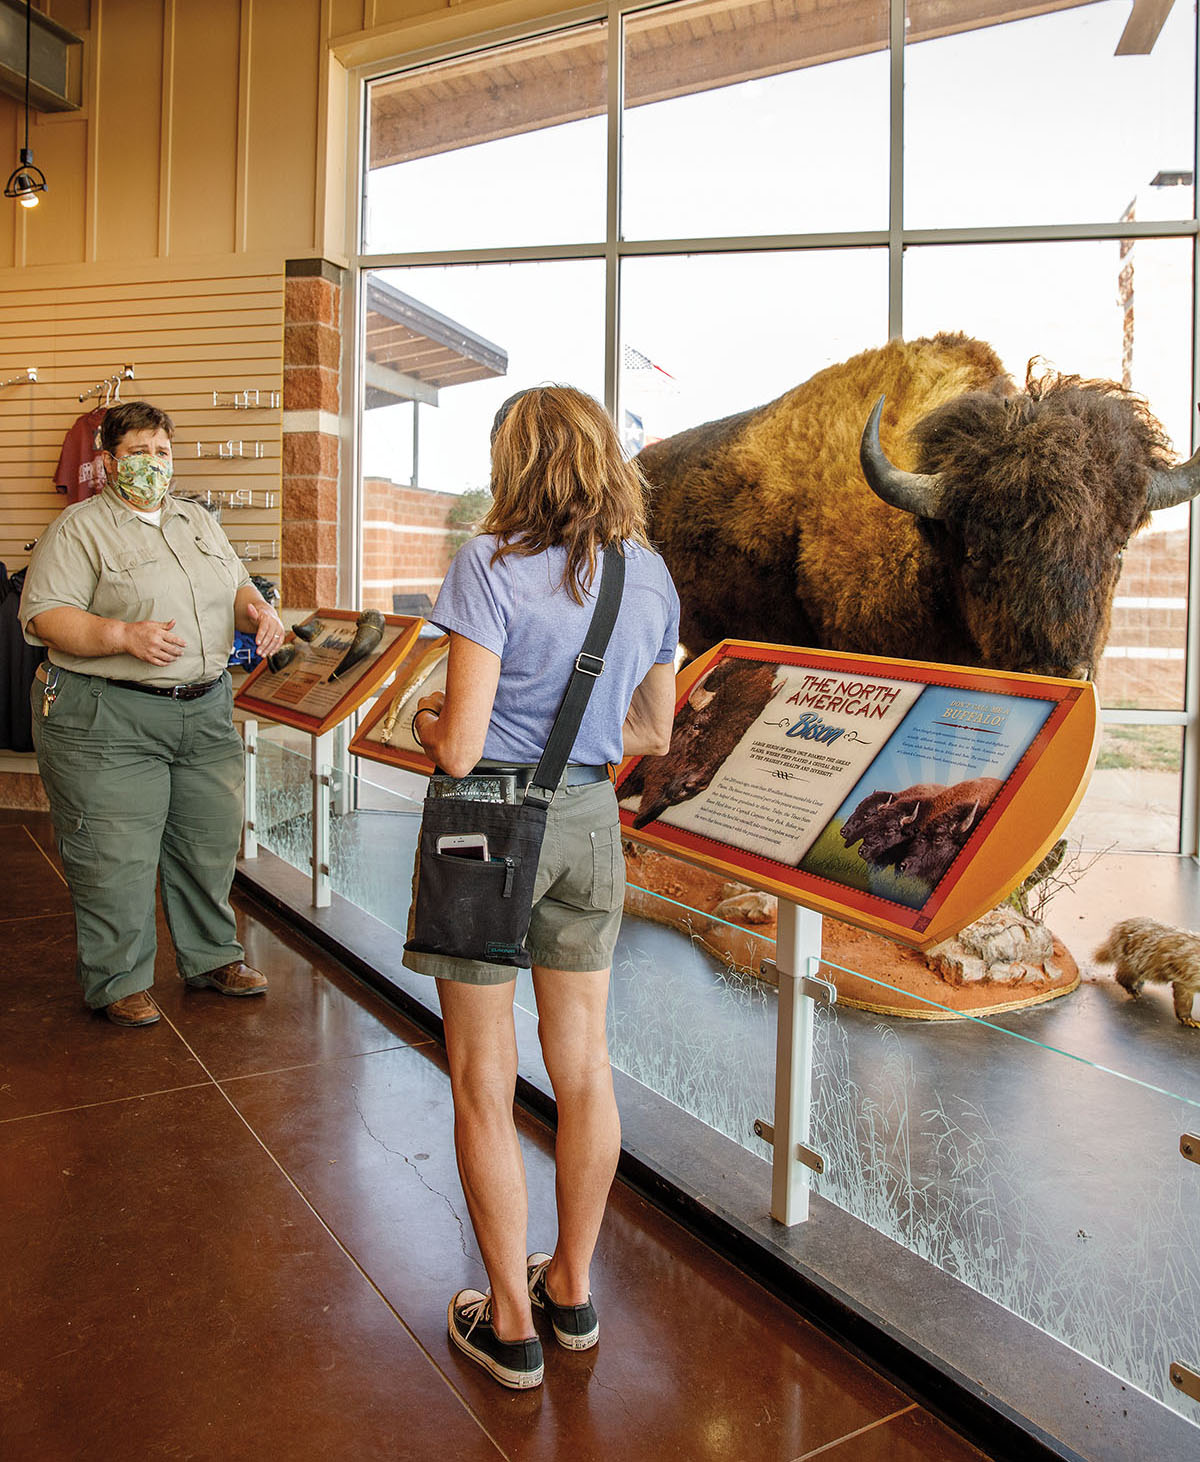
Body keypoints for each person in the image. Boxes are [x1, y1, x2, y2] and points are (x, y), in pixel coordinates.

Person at [402, 385, 680, 1390]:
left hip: (486, 823)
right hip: (590, 825)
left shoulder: (488, 563)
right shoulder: (648, 576)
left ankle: (509, 1324)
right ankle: (570, 1288)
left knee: (483, 1075)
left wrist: (433, 725)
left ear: (513, 463)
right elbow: (652, 728)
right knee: (586, 1068)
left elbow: (464, 744)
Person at [18, 400, 288, 1028]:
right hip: (108, 715)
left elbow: (237, 585)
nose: (153, 463)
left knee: (209, 842)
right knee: (115, 855)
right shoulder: (79, 528)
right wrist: (121, 635)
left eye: (162, 452)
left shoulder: (197, 520)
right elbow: (44, 615)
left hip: (204, 710)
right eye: (138, 453)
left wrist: (259, 613)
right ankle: (118, 980)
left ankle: (212, 958)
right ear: (108, 461)